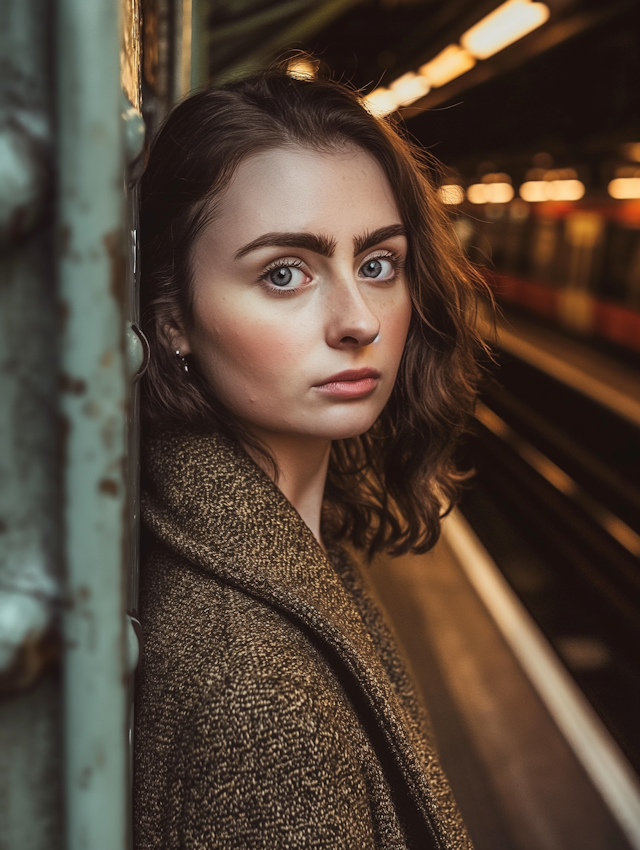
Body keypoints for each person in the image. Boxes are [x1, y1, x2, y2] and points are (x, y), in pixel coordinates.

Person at [134, 64, 484, 849]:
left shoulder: (276, 549)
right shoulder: (263, 696)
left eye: (377, 263)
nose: (358, 319)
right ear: (171, 317)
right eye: (285, 273)